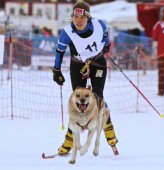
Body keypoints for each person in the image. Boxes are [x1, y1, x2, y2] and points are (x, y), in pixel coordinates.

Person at [52, 1, 118, 155]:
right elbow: (59, 51)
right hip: (78, 66)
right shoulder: (67, 32)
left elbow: (105, 36)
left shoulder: (99, 24)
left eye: (81, 17)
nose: (78, 20)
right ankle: (69, 142)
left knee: (98, 98)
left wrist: (106, 45)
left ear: (88, 17)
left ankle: (109, 133)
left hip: (98, 62)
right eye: (75, 16)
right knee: (77, 102)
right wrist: (57, 70)